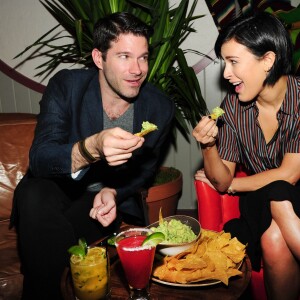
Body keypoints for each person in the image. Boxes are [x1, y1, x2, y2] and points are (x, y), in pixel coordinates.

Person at [11, 12, 174, 300]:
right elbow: (41, 158)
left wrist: (114, 190)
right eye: (124, 56)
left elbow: (146, 171)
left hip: (103, 205)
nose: (137, 69)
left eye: (143, 57)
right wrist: (92, 147)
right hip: (53, 188)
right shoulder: (67, 86)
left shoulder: (159, 108)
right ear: (99, 58)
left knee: (45, 240)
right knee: (35, 195)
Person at [193, 12, 300, 300]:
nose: (226, 73)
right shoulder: (232, 108)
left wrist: (235, 186)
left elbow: (290, 173)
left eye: (233, 62)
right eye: (224, 63)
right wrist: (208, 146)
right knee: (276, 196)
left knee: (274, 237)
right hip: (261, 202)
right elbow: (219, 179)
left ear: (267, 60)